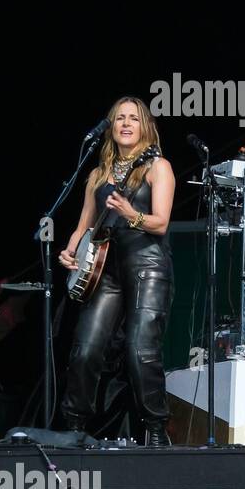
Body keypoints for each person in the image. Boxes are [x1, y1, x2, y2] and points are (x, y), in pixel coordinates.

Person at [59, 97, 175, 446]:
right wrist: (70, 250)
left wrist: (128, 213)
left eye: (134, 119)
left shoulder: (158, 167)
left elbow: (161, 223)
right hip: (104, 269)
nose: (126, 123)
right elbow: (84, 225)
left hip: (147, 265)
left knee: (141, 351)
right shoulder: (98, 174)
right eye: (119, 118)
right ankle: (74, 429)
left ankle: (156, 429)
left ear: (145, 127)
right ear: (110, 127)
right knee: (86, 348)